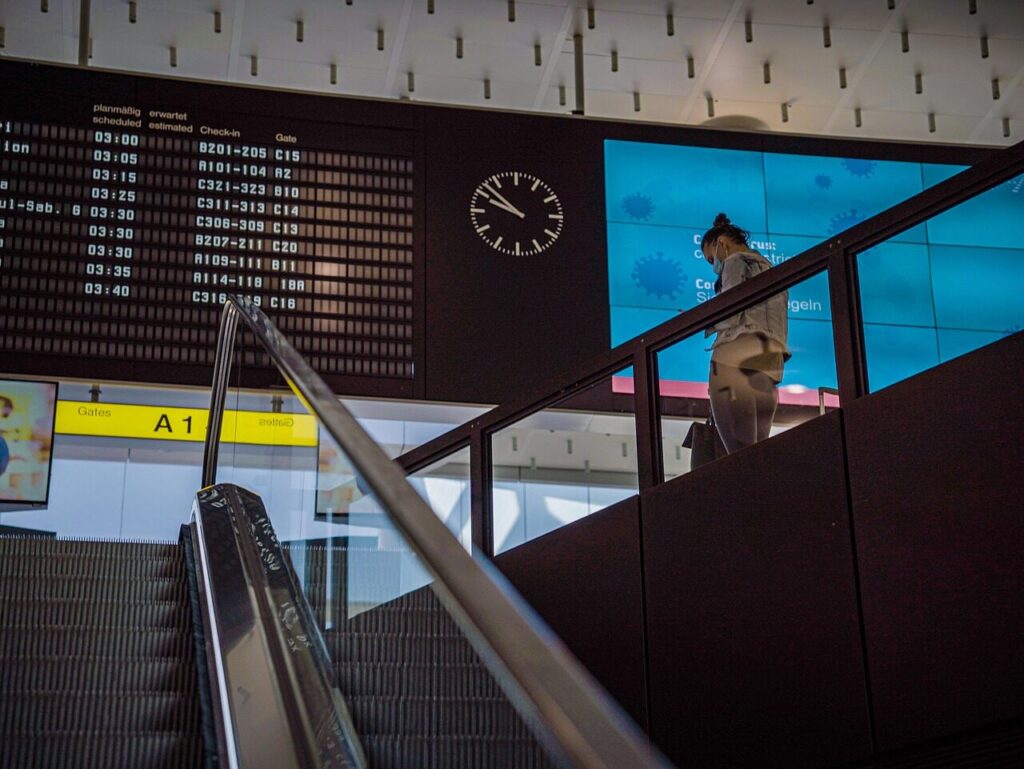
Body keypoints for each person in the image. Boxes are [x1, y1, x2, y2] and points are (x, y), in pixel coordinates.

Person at [701, 213, 790, 454]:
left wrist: (701, 320)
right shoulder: (772, 269)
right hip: (769, 367)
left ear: (722, 243)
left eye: (711, 260)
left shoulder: (734, 261)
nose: (714, 267)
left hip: (732, 363)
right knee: (757, 455)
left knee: (739, 457)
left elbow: (730, 314)